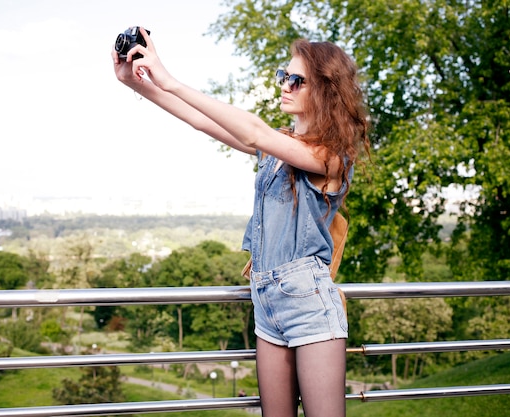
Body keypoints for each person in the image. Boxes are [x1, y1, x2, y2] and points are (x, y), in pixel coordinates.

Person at [112, 27, 369, 417]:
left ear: (324, 90)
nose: (285, 85)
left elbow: (253, 129)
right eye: (284, 76)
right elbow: (201, 121)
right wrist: (138, 83)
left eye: (296, 80)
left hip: (310, 306)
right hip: (265, 303)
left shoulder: (330, 157)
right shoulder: (277, 147)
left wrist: (170, 79)